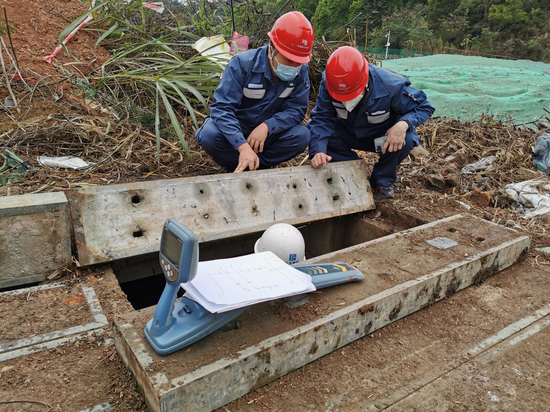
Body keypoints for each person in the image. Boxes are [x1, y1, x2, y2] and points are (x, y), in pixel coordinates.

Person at [308, 46, 435, 198]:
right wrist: (318, 150)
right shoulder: (330, 81)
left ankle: (381, 179)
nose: (346, 100)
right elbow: (322, 118)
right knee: (314, 132)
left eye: (351, 94)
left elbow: (424, 107)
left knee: (407, 139)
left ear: (365, 80)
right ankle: (354, 170)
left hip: (381, 136)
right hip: (347, 132)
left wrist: (403, 124)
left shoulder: (391, 86)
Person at [195, 11, 314, 173]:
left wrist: (267, 126)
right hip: (237, 129)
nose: (293, 67)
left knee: (301, 136)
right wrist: (242, 146)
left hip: (267, 135)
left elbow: (296, 110)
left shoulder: (301, 71)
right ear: (272, 49)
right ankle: (237, 164)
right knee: (209, 134)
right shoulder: (242, 65)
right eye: (288, 60)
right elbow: (222, 109)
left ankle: (259, 166)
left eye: (298, 62)